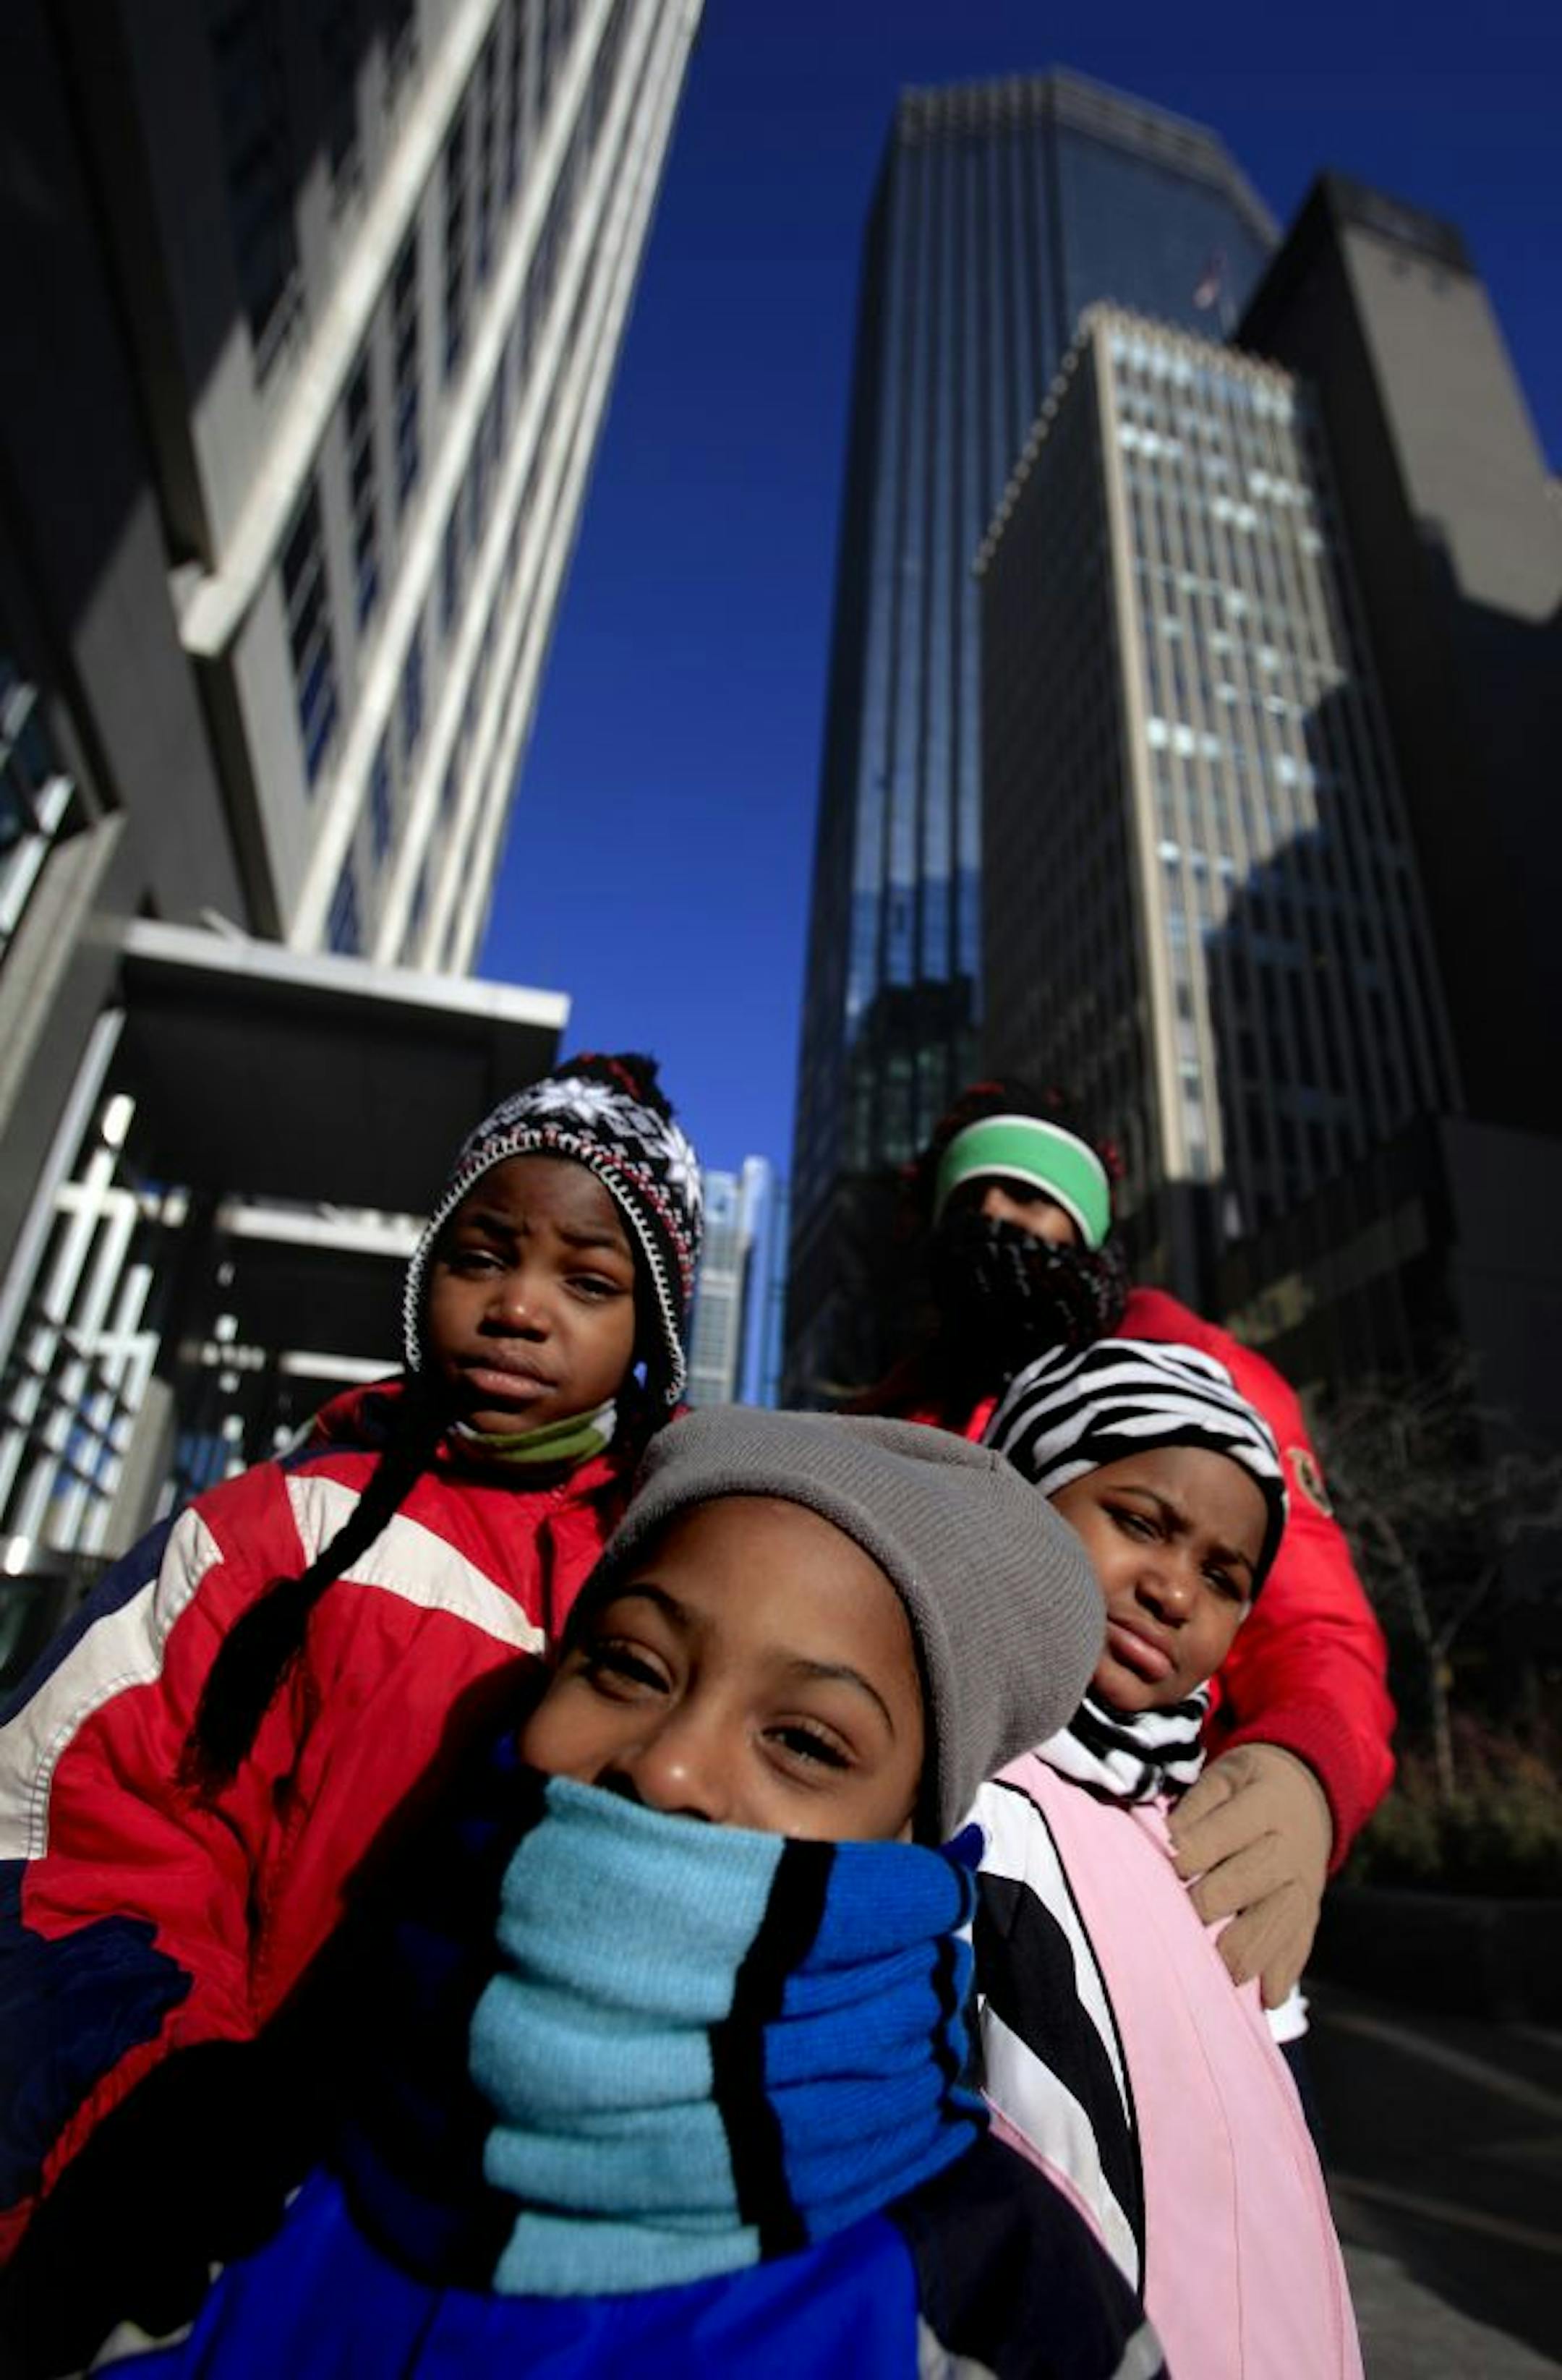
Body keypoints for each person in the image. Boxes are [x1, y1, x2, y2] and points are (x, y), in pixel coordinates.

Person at [22, 1409, 1166, 2379]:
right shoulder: (222, 2144)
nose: (666, 1766)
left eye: (808, 1742)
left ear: (910, 1842)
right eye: (627, 1666)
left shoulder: (1001, 2291)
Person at [0, 1052, 703, 2267]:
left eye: (587, 1281)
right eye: (482, 1256)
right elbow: (74, 1827)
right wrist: (174, 2091)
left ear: (657, 1337)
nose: (520, 1307)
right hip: (201, 2198)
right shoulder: (269, 1532)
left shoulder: (683, 1575)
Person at [861, 1074, 1394, 2010]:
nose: (995, 1216)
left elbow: (1315, 1629)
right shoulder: (896, 1409)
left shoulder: (1196, 1373)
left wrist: (1305, 1771)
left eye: (1028, 1195)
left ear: (1087, 1220)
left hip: (1157, 1870)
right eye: (970, 1196)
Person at [973, 1338, 1363, 2380]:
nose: (1176, 1592)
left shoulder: (1221, 1843)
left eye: (1224, 1575)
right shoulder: (955, 1808)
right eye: (1141, 1523)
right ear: (1025, 1496)